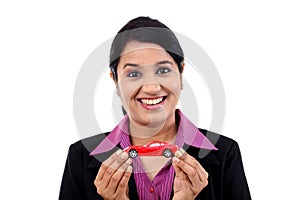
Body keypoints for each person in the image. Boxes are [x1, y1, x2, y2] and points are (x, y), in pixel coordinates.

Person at [59, 16, 251, 200]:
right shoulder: (80, 157)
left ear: (181, 73)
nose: (151, 87)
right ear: (116, 82)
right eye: (133, 73)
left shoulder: (226, 153)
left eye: (163, 70)